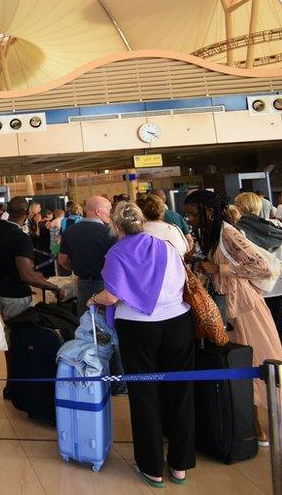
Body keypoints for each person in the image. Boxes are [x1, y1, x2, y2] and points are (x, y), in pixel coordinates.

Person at [90, 201, 194, 487]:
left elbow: (112, 296)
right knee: (180, 391)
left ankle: (152, 467)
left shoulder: (116, 253)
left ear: (115, 226)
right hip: (177, 322)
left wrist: (94, 299)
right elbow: (182, 281)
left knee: (144, 394)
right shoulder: (167, 247)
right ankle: (180, 465)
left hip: (138, 328)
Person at [184, 190, 282, 446]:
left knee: (255, 365)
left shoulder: (227, 232)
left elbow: (263, 266)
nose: (190, 219)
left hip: (244, 309)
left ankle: (263, 428)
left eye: (194, 214)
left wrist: (219, 268)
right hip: (223, 309)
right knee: (236, 369)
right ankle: (251, 428)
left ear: (209, 212)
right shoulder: (205, 233)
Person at [0, 196, 64, 322]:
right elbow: (27, 275)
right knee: (20, 334)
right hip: (15, 295)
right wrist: (54, 287)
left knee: (5, 332)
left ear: (8, 210)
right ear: (27, 213)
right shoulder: (21, 238)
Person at [235, 192, 282, 345]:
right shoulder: (278, 226)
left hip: (257, 287)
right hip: (279, 284)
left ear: (240, 207)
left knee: (266, 331)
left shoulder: (238, 232)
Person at [58, 196, 117, 309]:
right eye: (109, 210)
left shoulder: (69, 231)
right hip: (106, 284)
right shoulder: (110, 232)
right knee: (105, 322)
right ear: (98, 211)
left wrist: (76, 268)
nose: (110, 214)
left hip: (82, 282)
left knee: (85, 320)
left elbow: (63, 260)